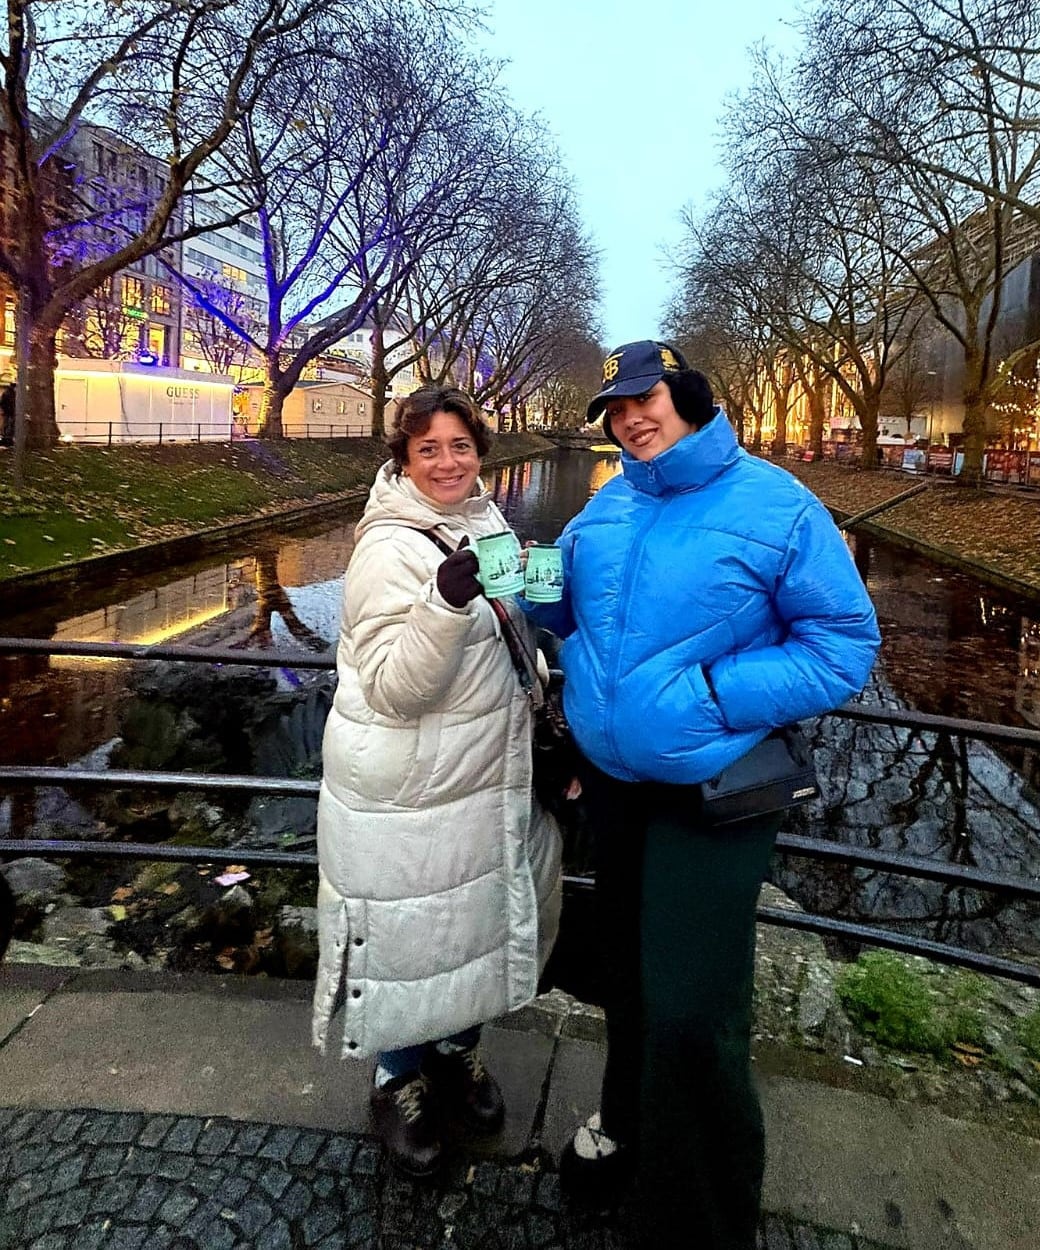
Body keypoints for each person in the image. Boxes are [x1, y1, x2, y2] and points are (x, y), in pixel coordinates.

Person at [526, 341, 880, 1249]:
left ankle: (705, 1214)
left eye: (645, 399)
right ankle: (627, 1127)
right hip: (616, 788)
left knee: (694, 1009)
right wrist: (523, 584)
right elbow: (567, 613)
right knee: (630, 978)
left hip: (712, 793)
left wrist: (716, 696)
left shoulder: (777, 504)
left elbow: (844, 644)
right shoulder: (608, 505)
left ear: (688, 397)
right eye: (615, 408)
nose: (629, 419)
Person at [312, 384, 561, 1177]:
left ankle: (456, 1053)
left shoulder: (485, 521)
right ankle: (397, 1081)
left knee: (470, 924)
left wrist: (550, 606)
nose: (448, 462)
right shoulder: (386, 547)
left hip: (478, 770)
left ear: (480, 452)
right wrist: (446, 601)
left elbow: (518, 629)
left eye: (460, 446)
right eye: (429, 450)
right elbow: (394, 687)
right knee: (409, 936)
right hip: (408, 786)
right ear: (404, 459)